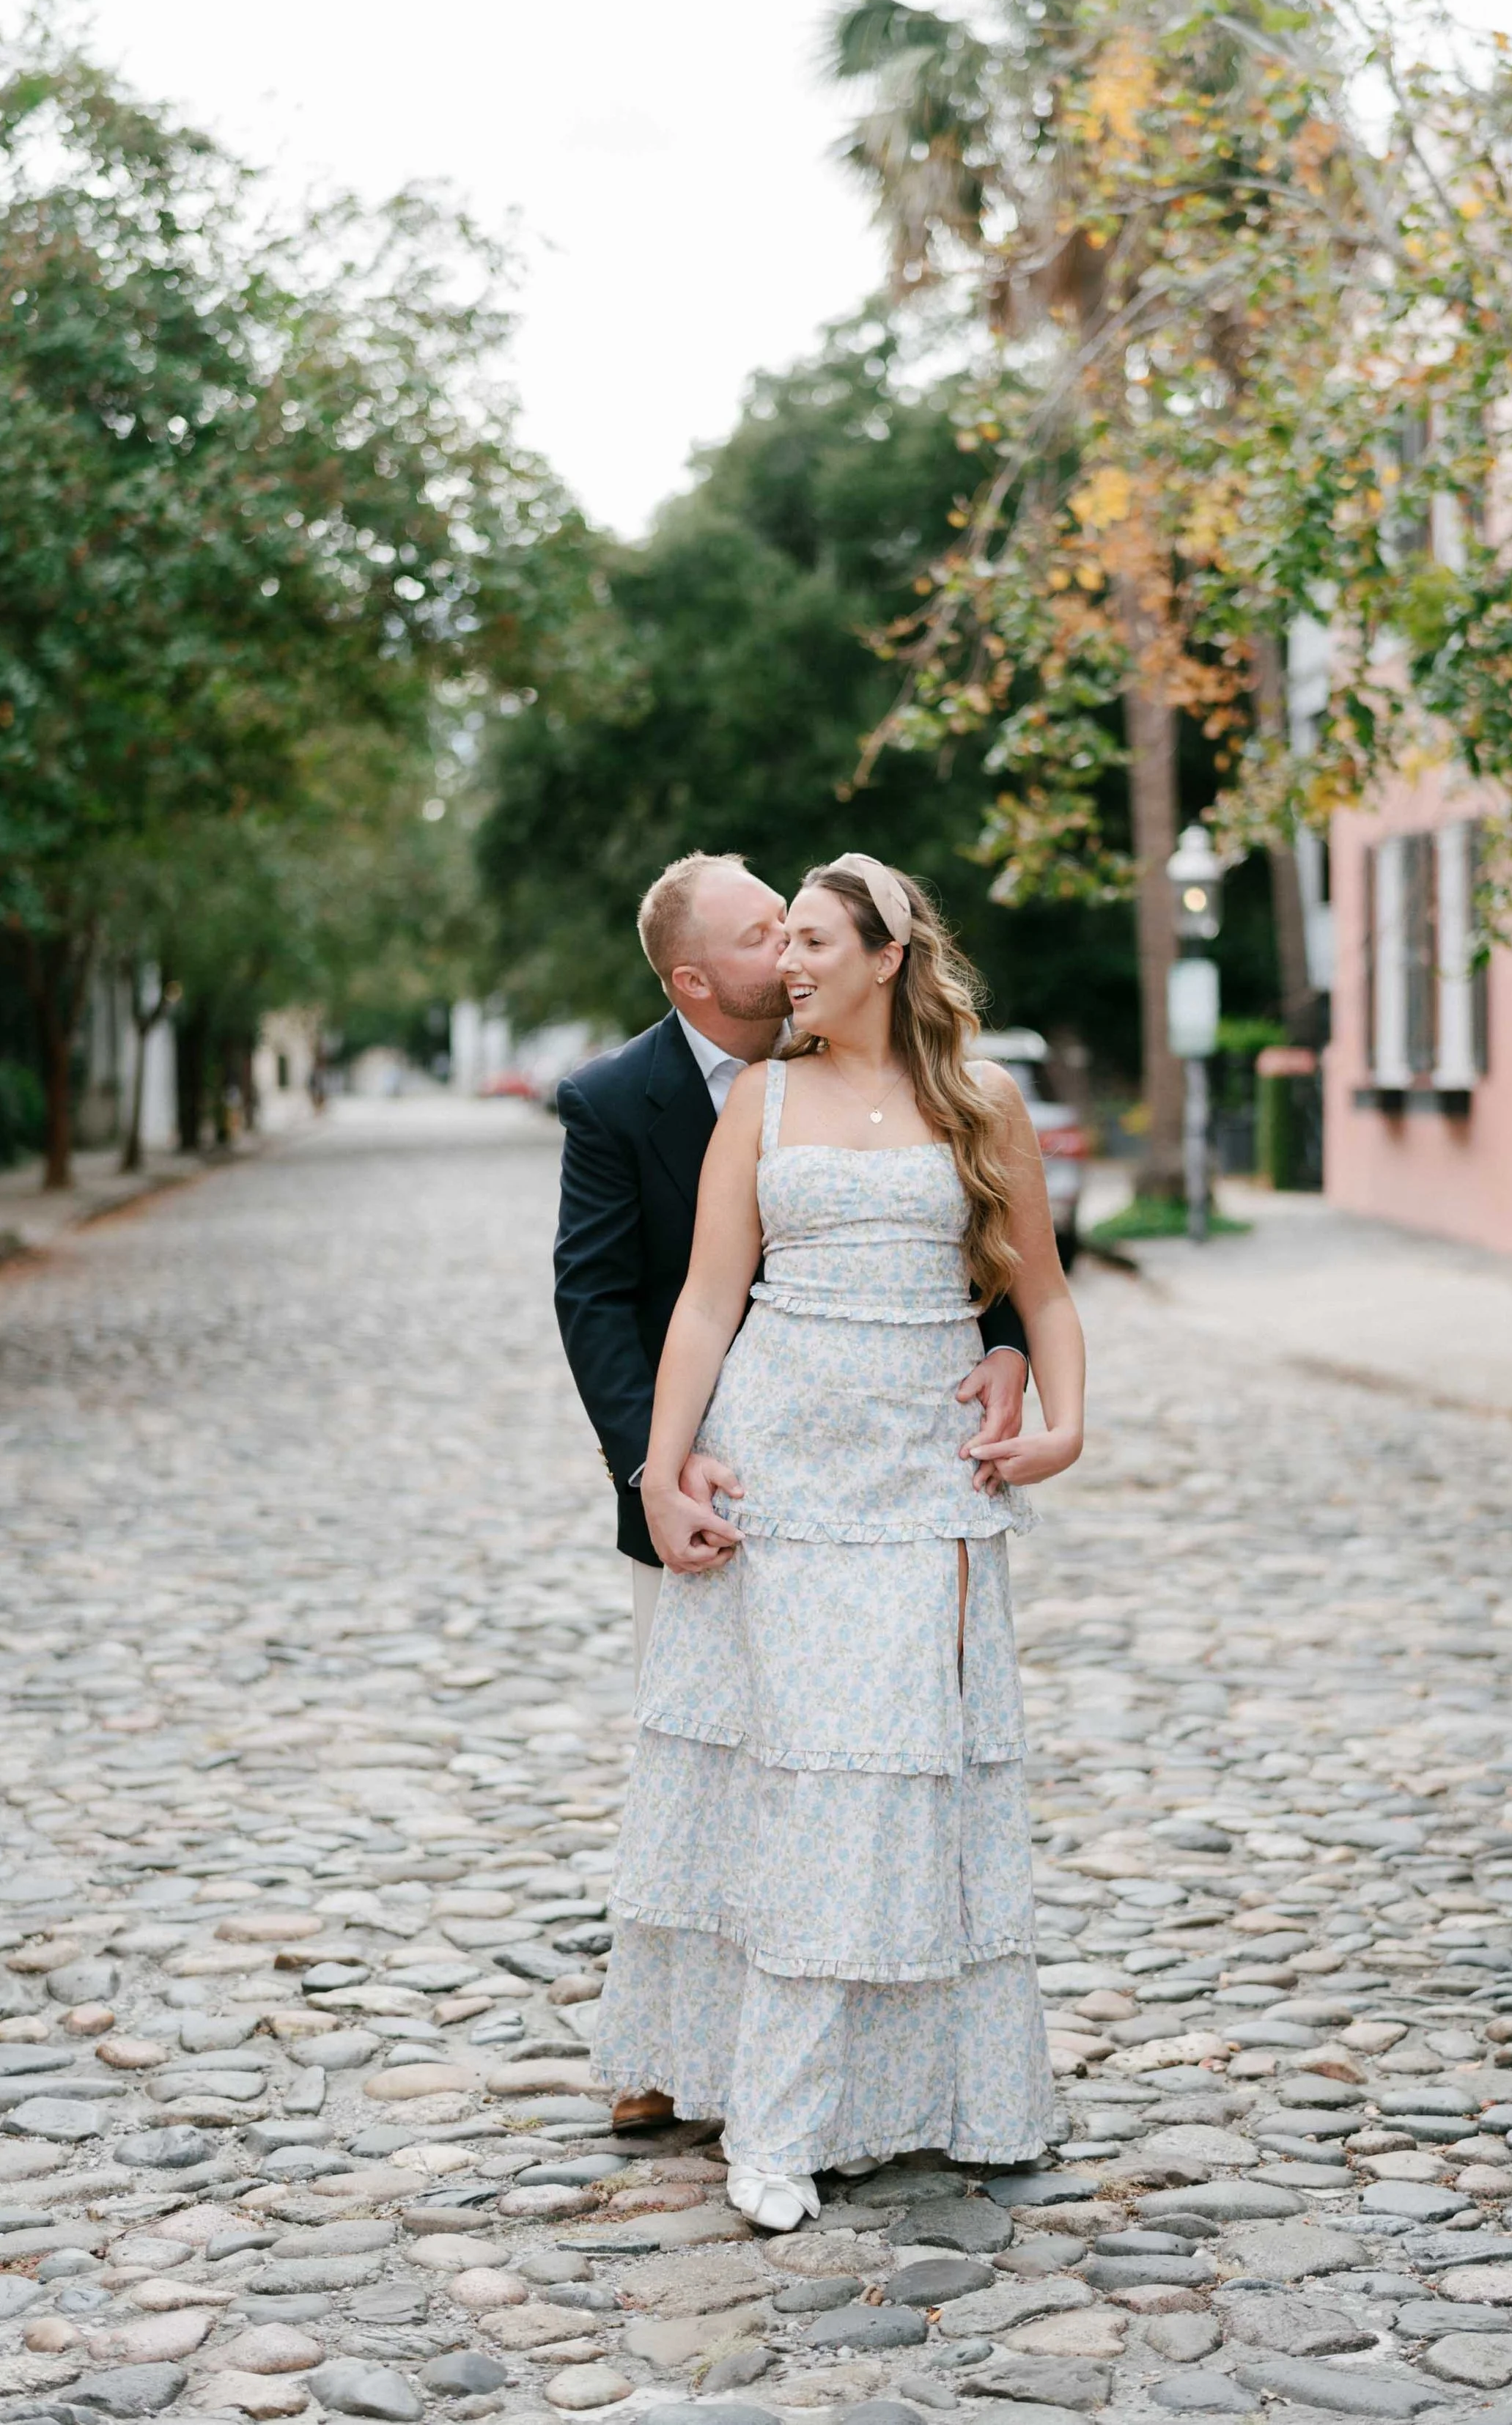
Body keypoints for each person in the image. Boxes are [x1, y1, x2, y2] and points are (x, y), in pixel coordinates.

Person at [591, 853, 1085, 2230]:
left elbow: (1039, 1290)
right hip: (785, 1479)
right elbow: (701, 1302)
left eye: (811, 939)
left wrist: (1065, 1421)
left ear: (888, 953)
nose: (788, 963)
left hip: (923, 1485)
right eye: (775, 940)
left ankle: (946, 2094)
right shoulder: (763, 1097)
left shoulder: (978, 1102)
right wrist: (661, 1473)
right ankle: (780, 2122)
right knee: (807, 1791)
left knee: (906, 1784)